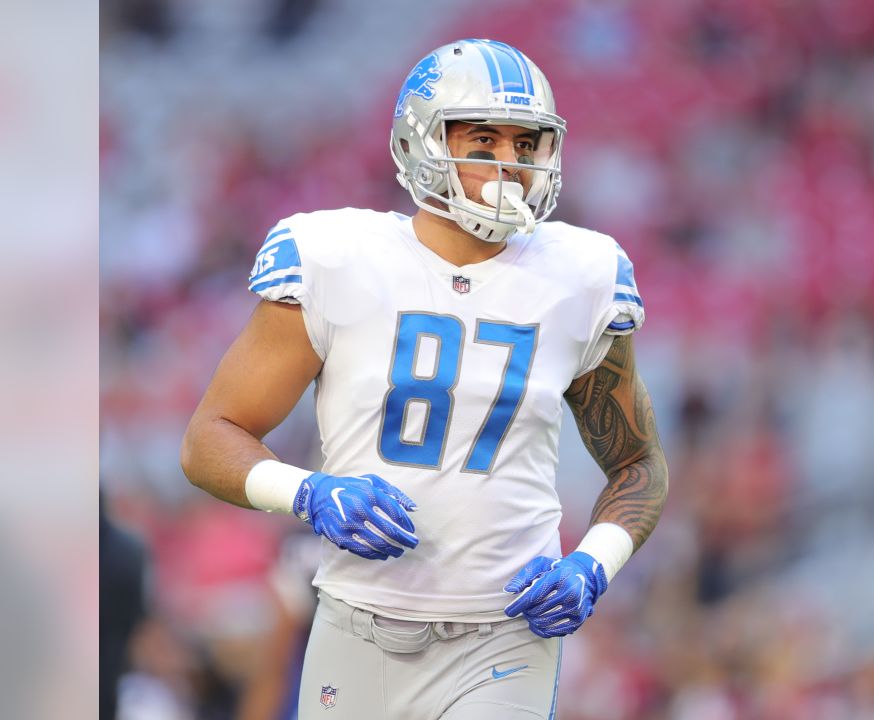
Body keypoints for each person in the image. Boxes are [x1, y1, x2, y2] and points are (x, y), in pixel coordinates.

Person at [180, 38, 668, 719]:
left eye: (526, 145)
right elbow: (210, 440)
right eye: (484, 139)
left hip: (505, 636)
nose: (509, 164)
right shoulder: (338, 257)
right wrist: (309, 492)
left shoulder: (581, 275)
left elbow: (638, 463)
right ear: (421, 141)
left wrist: (593, 563)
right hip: (358, 622)